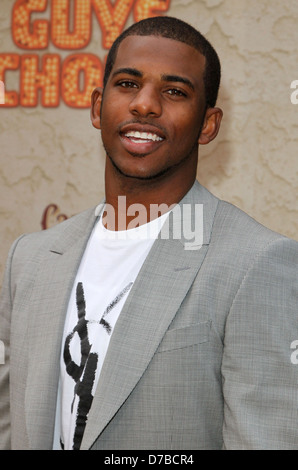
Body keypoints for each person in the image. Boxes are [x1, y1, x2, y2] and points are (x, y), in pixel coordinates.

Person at [0, 16, 297, 451]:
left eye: (174, 92)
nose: (145, 105)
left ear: (208, 125)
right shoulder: (29, 257)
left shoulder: (257, 263)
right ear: (98, 106)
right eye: (127, 84)